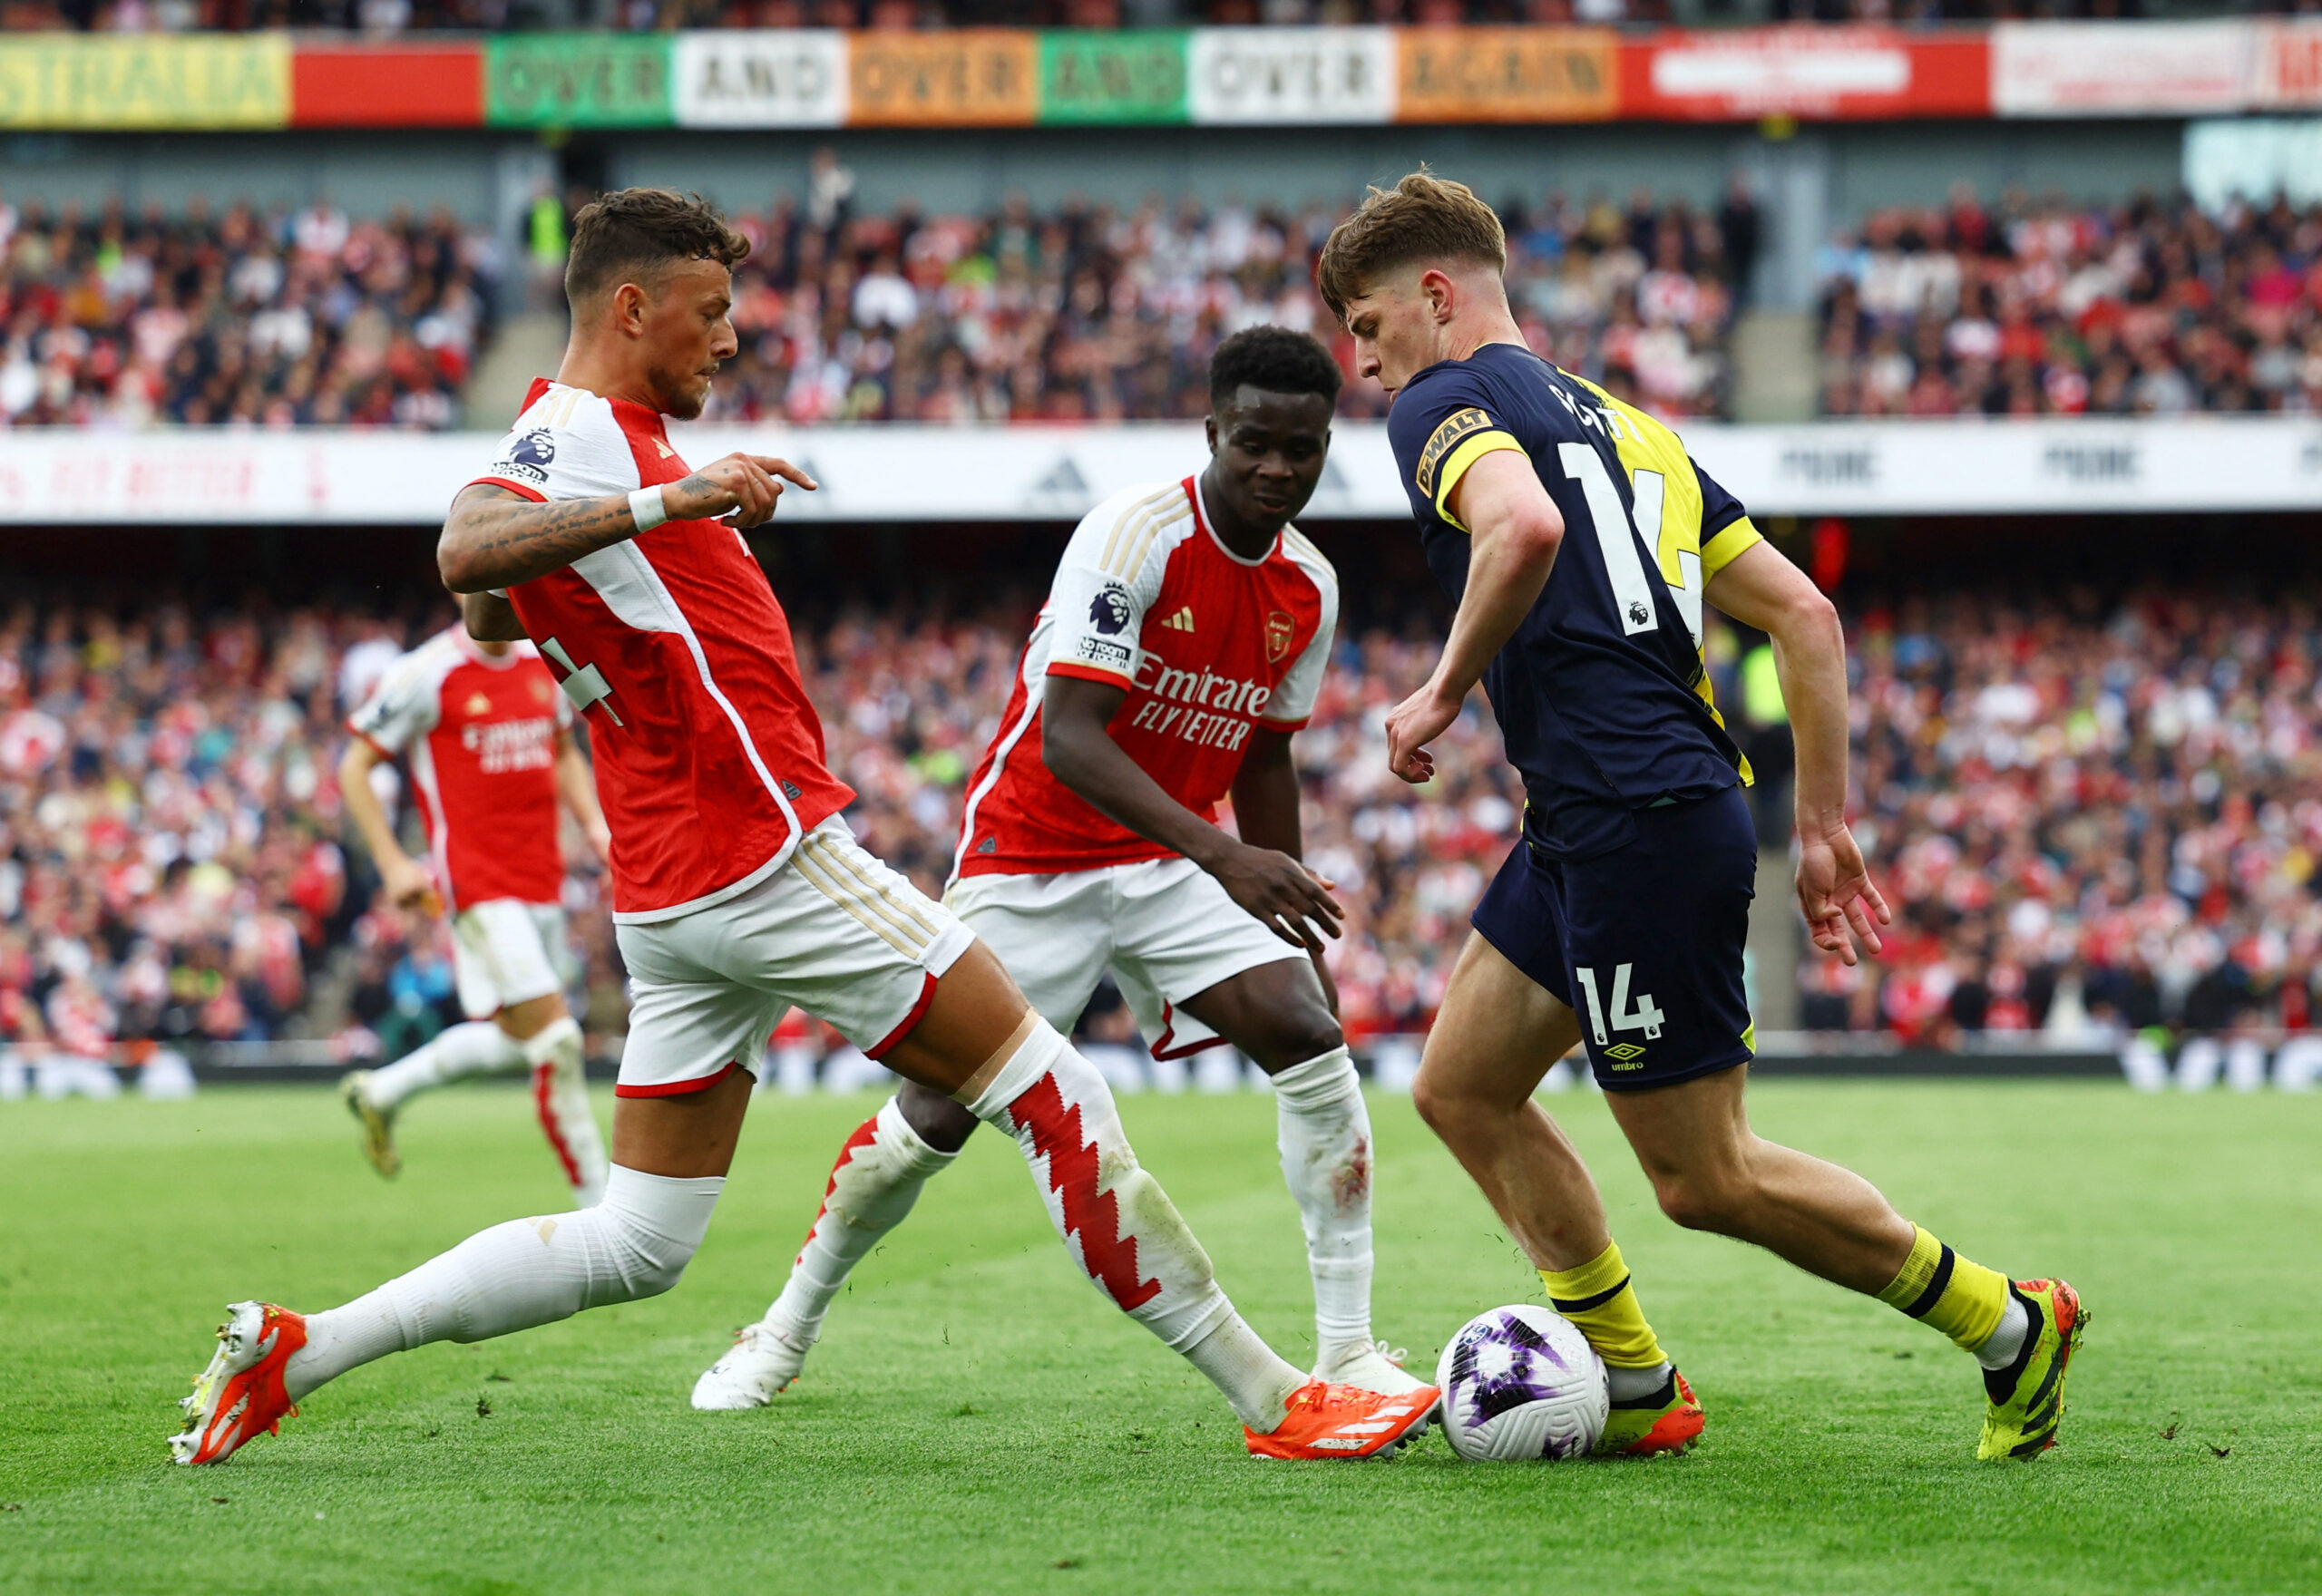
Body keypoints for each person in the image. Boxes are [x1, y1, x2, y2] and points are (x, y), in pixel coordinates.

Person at [168, 188, 1436, 1468]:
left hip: (670, 900)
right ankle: (1284, 1397)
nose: (729, 340)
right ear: (630, 308)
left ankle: (304, 1346)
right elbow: (463, 549)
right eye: (711, 314)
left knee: (638, 1243)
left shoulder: (605, 441)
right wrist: (671, 507)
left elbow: (493, 610)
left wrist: (611, 547)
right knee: (1059, 1091)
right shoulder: (591, 435)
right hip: (766, 855)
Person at [1315, 171, 2084, 1463]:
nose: (1365, 358)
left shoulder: (1447, 402)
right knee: (1462, 1088)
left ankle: (2010, 1323)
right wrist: (1825, 823)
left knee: (1705, 1177)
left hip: (1639, 816)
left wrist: (1439, 693)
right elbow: (1808, 618)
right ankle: (1633, 1382)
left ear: (1436, 297)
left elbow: (1521, 529)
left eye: (1369, 323)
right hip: (1596, 818)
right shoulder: (1633, 427)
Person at [695, 326, 1423, 1410]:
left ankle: (1350, 1350)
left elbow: (1265, 750)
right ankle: (784, 1326)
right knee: (930, 1124)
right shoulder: (1133, 533)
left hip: (1170, 855)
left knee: (1314, 1039)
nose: (1279, 470)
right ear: (1214, 431)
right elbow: (1071, 738)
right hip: (1032, 854)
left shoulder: (1306, 586)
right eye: (1257, 445)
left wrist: (1282, 896)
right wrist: (1226, 855)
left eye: (1303, 450)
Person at [337, 619, 613, 1206]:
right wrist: (392, 865)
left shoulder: (544, 657)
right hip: (479, 890)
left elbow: (562, 746)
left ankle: (382, 1092)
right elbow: (354, 765)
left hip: (543, 882)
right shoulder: (426, 673)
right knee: (559, 1038)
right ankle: (604, 1205)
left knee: (522, 1040)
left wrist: (595, 828)